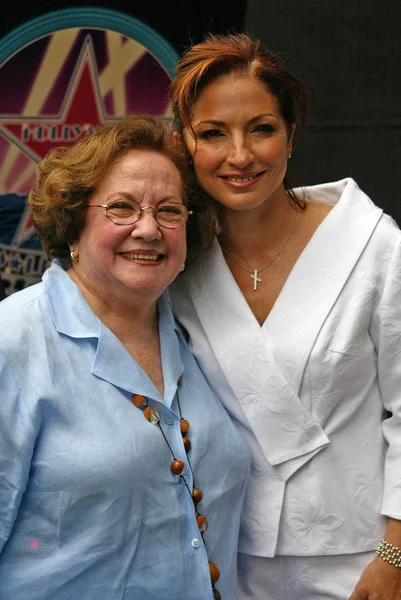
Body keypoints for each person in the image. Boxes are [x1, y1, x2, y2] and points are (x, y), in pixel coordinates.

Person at [167, 32, 401, 600]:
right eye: (214, 134)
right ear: (184, 144)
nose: (240, 155)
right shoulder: (175, 259)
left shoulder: (372, 245)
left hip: (361, 560)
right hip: (222, 557)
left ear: (291, 136)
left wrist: (394, 557)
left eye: (262, 129)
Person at [0, 113, 250, 600]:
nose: (149, 229)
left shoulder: (193, 332)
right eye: (121, 208)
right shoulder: (13, 341)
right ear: (74, 223)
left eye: (170, 211)